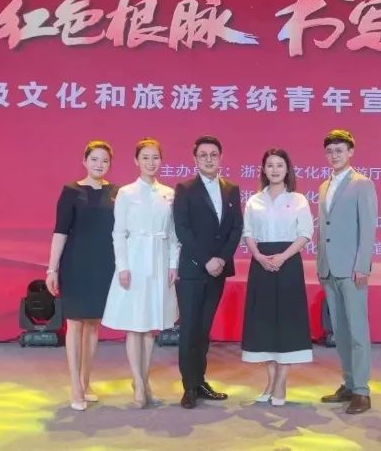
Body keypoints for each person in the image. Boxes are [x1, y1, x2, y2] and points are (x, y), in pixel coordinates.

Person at [102, 138, 179, 408]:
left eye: (155, 157)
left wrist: (173, 264)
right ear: (136, 161)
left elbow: (173, 234)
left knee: (149, 328)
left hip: (159, 261)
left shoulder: (169, 193)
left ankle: (144, 382)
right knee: (135, 326)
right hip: (134, 261)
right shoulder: (126, 193)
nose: (151, 162)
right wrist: (122, 266)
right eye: (145, 157)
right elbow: (118, 233)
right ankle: (137, 381)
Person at [45, 140, 118, 411]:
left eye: (105, 160)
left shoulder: (116, 193)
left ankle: (86, 382)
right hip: (75, 264)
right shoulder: (71, 191)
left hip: (104, 265)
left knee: (93, 325)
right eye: (94, 159)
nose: (99, 164)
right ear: (85, 161)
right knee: (75, 324)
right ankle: (74, 385)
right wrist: (52, 269)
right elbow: (60, 232)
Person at [172, 135, 244, 409]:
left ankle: (200, 382)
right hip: (193, 269)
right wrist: (206, 260)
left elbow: (236, 228)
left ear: (220, 157)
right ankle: (189, 387)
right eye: (203, 155)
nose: (209, 159)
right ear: (195, 159)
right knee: (190, 329)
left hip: (218, 271)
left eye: (213, 154)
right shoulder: (185, 188)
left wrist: (221, 259)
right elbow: (182, 229)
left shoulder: (231, 189)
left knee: (204, 329)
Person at [241, 148, 314, 407]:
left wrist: (283, 257)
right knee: (264, 324)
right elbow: (248, 233)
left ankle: (281, 384)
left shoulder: (298, 200)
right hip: (261, 263)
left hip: (288, 263)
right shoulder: (254, 201)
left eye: (279, 165)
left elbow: (305, 234)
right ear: (263, 169)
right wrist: (259, 256)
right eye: (270, 165)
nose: (274, 170)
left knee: (287, 323)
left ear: (287, 169)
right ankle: (270, 383)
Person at [316, 129, 378, 415]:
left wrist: (362, 265)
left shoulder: (362, 184)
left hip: (352, 270)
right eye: (330, 151)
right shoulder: (324, 186)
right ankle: (349, 383)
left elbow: (368, 228)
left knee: (357, 331)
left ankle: (362, 391)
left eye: (339, 150)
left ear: (350, 152)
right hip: (329, 268)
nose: (334, 156)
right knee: (339, 331)